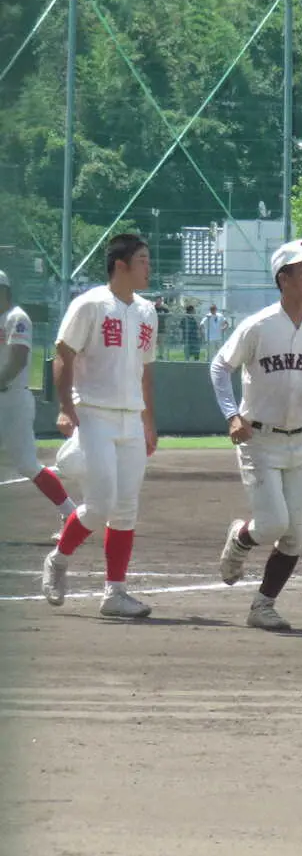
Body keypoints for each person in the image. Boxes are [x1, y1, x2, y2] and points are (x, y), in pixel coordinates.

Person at [211, 239, 302, 631]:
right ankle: (240, 539)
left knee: (295, 535)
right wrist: (231, 415)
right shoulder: (257, 325)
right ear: (283, 279)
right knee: (272, 524)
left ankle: (263, 605)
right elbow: (220, 368)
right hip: (260, 438)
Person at [41, 234, 159, 618]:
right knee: (101, 504)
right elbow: (63, 355)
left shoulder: (147, 312)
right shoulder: (90, 304)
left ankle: (115, 593)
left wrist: (149, 421)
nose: (148, 266)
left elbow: (145, 370)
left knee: (125, 509)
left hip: (130, 419)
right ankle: (59, 559)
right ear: (120, 265)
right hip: (92, 413)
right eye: (142, 259)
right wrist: (64, 407)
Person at [0, 270, 78, 530]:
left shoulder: (17, 318)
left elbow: (19, 358)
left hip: (12, 402)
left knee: (27, 464)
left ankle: (70, 512)